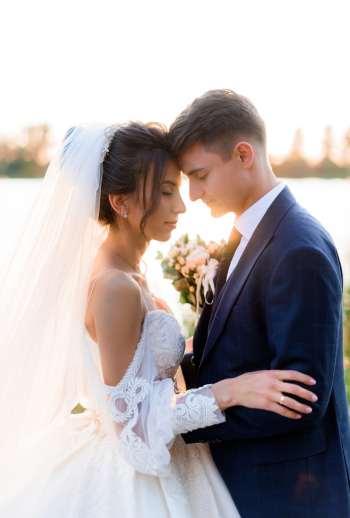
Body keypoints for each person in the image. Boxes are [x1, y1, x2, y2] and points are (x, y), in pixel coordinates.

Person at [0, 121, 317, 518]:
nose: (182, 207)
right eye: (167, 192)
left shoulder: (126, 270)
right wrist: (231, 391)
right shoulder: (115, 286)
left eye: (179, 190)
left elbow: (139, 372)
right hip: (132, 483)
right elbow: (131, 428)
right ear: (121, 203)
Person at [169, 89, 350, 518]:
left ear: (244, 155)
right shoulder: (250, 234)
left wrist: (186, 419)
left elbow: (299, 404)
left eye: (200, 175)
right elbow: (240, 350)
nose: (192, 194)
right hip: (248, 487)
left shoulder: (297, 248)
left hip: (288, 496)